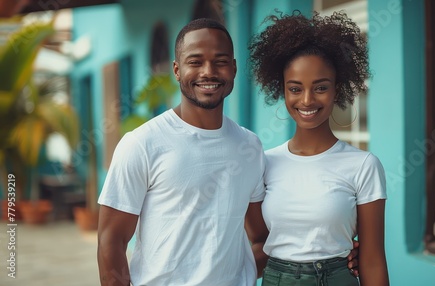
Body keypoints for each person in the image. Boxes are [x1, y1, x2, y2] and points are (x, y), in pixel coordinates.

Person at [97, 18, 358, 286]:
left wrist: (333, 256)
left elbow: (264, 239)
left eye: (220, 61)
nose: (208, 71)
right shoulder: (142, 143)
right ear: (177, 70)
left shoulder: (249, 146)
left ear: (233, 68)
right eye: (195, 62)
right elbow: (111, 241)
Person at [248, 11, 389, 286]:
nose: (307, 100)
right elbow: (259, 244)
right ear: (282, 90)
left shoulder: (363, 166)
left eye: (320, 87)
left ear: (337, 89)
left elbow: (372, 259)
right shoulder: (263, 165)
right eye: (295, 88)